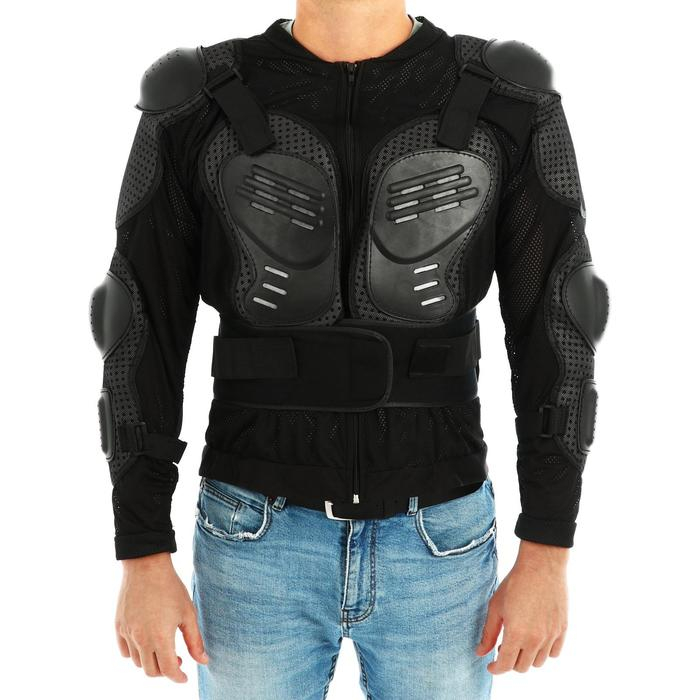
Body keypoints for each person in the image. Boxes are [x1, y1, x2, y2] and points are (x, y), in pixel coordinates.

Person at [89, 1, 609, 697]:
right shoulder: (194, 105)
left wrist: (548, 545)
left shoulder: (509, 102)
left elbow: (558, 331)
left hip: (439, 541)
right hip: (252, 540)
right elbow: (140, 333)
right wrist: (142, 550)